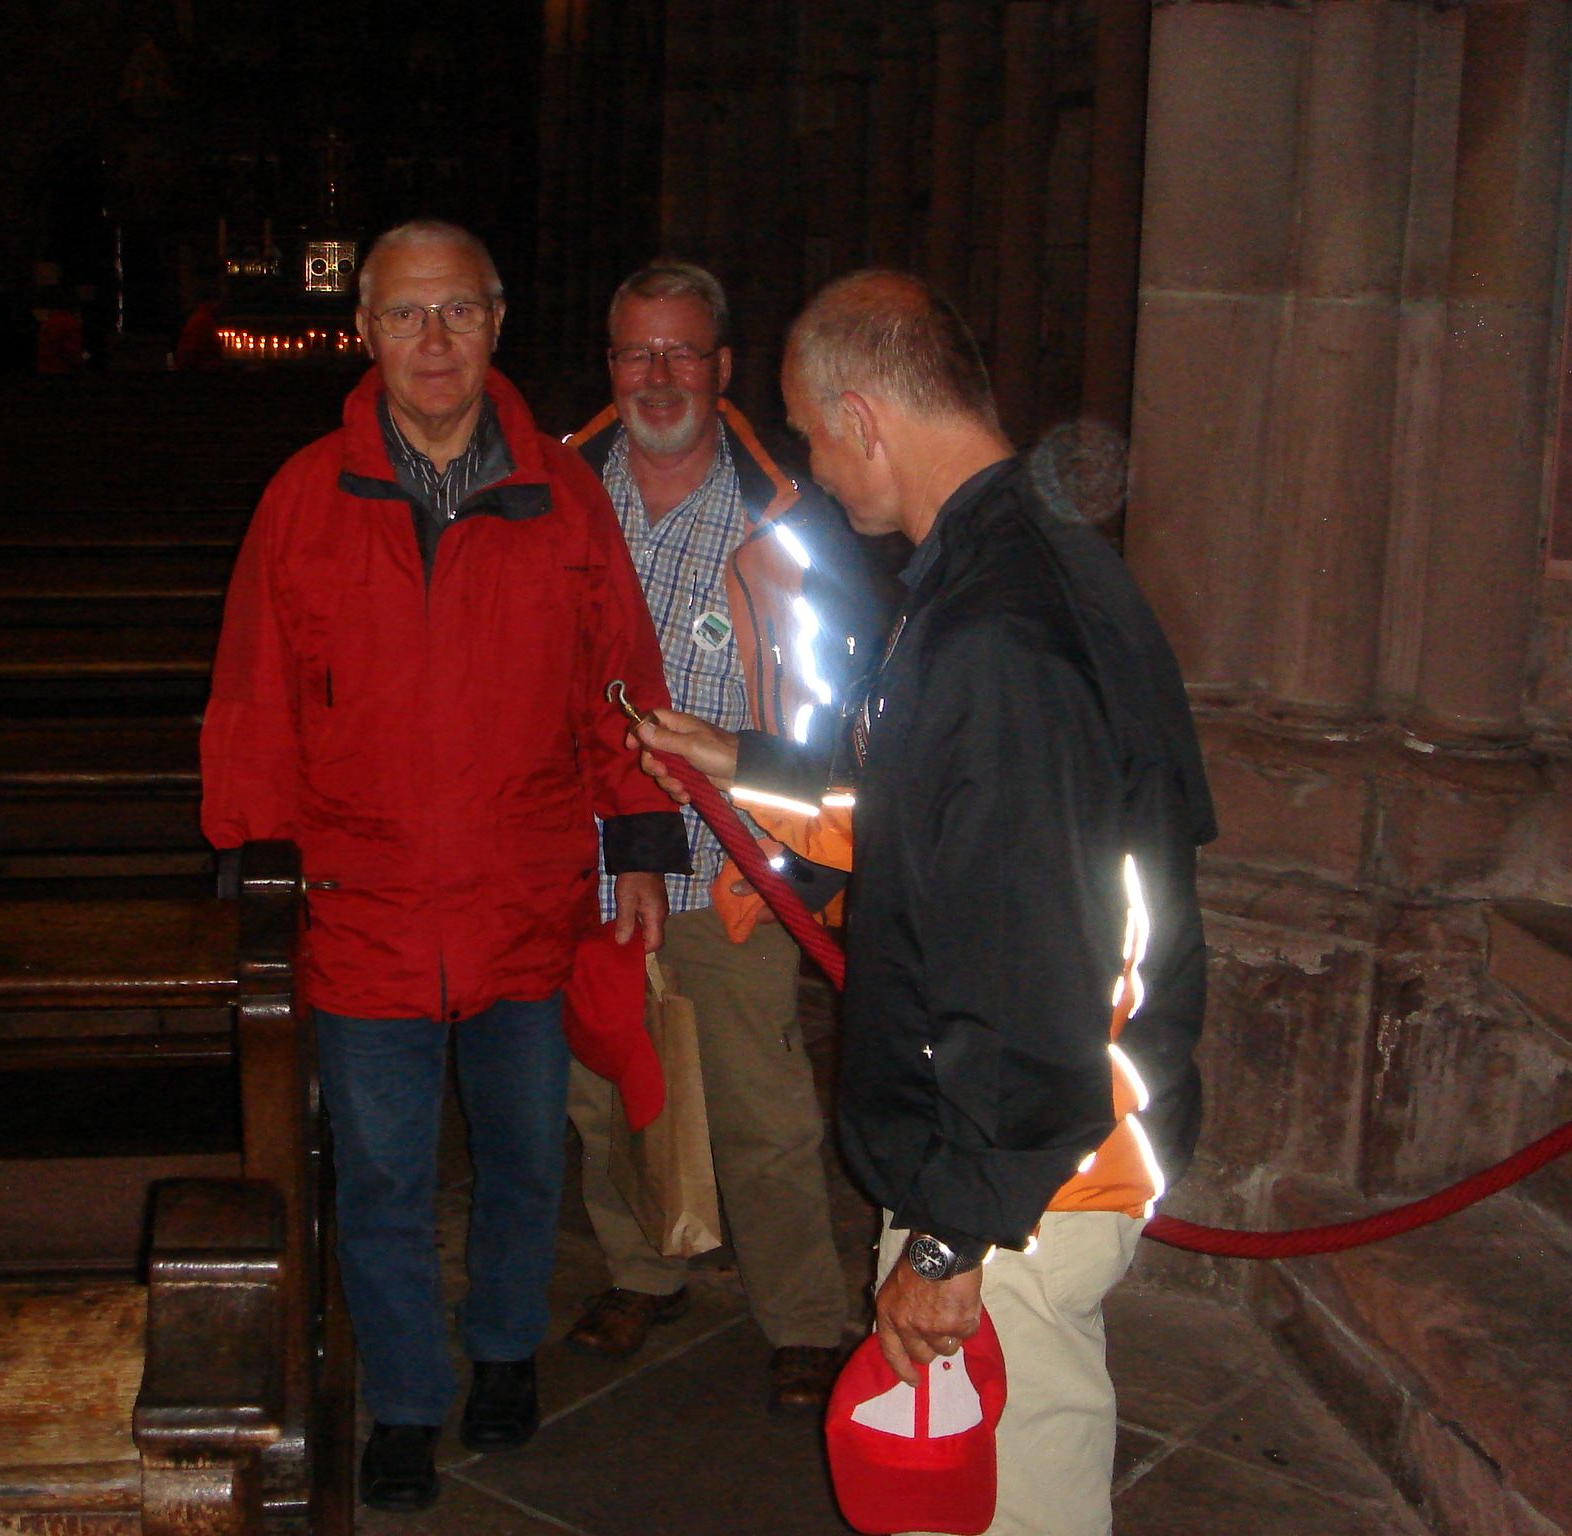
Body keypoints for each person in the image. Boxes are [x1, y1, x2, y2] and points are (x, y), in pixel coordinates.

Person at [632, 271, 1216, 1536]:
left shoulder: (1000, 626)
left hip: (1028, 1168)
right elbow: (937, 815)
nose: (813, 465)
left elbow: (1035, 957)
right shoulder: (1011, 566)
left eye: (810, 432)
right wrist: (742, 765)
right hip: (1023, 1151)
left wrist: (952, 1240)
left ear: (861, 415)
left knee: (1011, 1503)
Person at [200, 220, 687, 1516]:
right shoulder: (305, 498)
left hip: (523, 893)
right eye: (407, 314)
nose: (433, 340)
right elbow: (254, 693)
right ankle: (409, 1398)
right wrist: (255, 859)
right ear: (363, 330)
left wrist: (640, 842)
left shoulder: (560, 493)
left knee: (525, 1157)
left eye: (459, 311)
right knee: (383, 1178)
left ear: (497, 323)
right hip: (362, 901)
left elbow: (620, 682)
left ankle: (506, 1347)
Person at [561, 262, 876, 1412]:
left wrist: (797, 839)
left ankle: (802, 1313)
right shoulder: (553, 497)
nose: (657, 377)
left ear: (721, 367)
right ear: (609, 366)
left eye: (680, 352)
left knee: (760, 1106)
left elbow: (832, 705)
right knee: (606, 1089)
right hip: (586, 859)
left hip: (729, 861)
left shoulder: (783, 518)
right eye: (635, 353)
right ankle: (644, 1267)